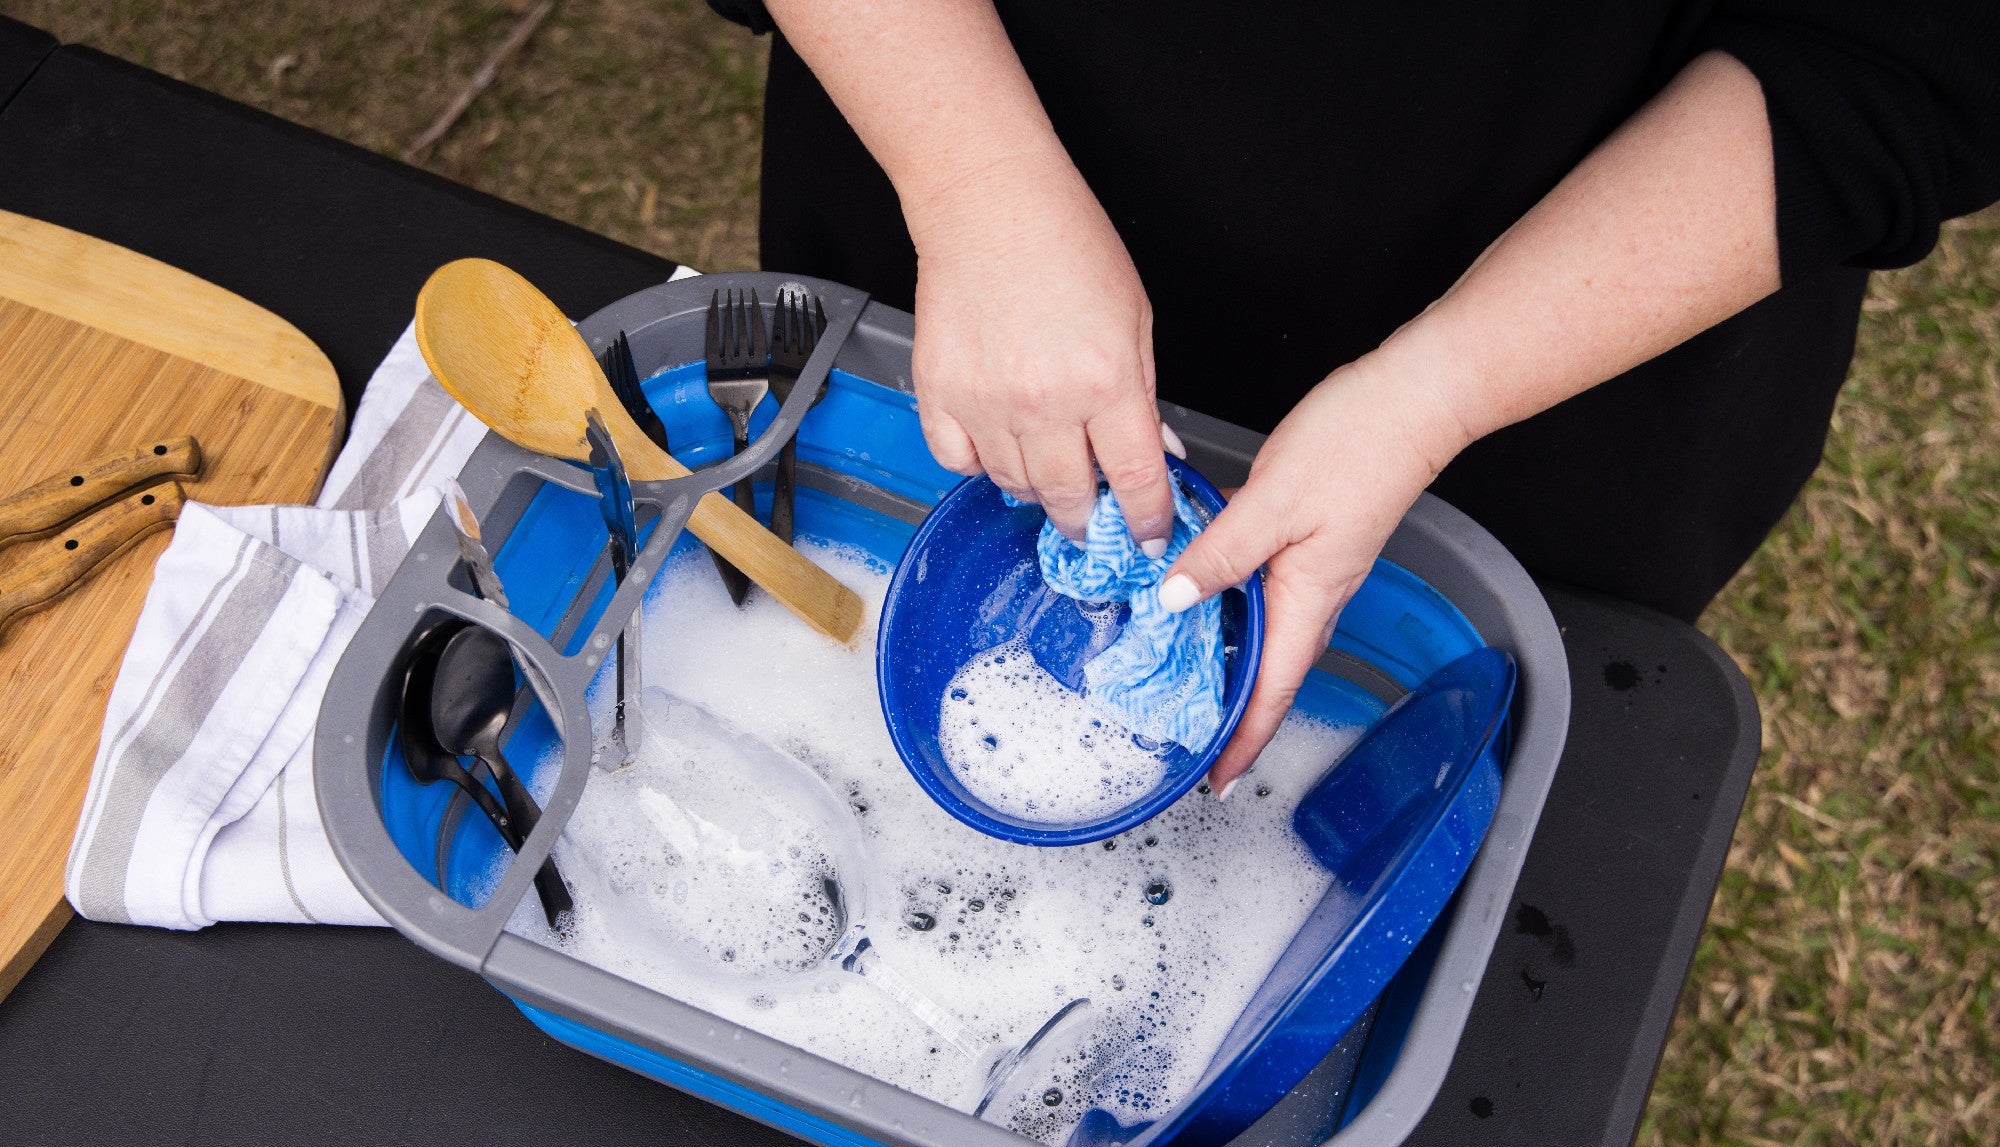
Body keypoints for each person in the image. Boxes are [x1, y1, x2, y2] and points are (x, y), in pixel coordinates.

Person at [710, 0, 2000, 796]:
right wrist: (975, 186)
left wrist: (1441, 388)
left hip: (1566, 355)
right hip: (967, 210)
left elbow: (1903, 50)